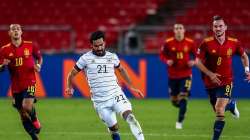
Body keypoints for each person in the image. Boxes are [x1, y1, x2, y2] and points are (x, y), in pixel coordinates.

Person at [66, 31, 145, 140]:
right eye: (96, 46)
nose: (99, 48)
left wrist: (132, 86)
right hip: (100, 101)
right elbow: (71, 74)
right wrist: (69, 87)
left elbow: (121, 70)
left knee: (130, 117)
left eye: (101, 45)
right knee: (114, 128)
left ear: (105, 43)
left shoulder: (112, 57)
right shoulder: (85, 59)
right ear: (91, 45)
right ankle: (113, 131)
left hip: (115, 94)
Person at [196, 15, 250, 140]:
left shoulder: (234, 42)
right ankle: (231, 105)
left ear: (225, 27)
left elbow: (244, 56)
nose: (218, 28)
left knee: (219, 109)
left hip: (226, 81)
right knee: (217, 110)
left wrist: (247, 70)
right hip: (210, 81)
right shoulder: (206, 43)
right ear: (212, 28)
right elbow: (197, 62)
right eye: (215, 26)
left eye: (220, 26)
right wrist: (210, 74)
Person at [0, 24, 42, 140]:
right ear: (9, 33)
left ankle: (35, 119)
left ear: (21, 32)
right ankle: (34, 136)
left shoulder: (30, 45)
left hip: (30, 81)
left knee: (27, 106)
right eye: (13, 29)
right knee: (22, 114)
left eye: (18, 29)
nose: (16, 31)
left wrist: (38, 65)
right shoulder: (4, 50)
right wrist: (3, 65)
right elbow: (0, 68)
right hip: (16, 85)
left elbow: (39, 57)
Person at [160, 24, 196, 129]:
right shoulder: (168, 43)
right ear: (174, 31)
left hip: (186, 75)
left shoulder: (190, 42)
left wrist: (193, 61)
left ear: (184, 30)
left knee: (183, 96)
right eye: (176, 28)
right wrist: (167, 61)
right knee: (174, 101)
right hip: (172, 75)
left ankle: (179, 122)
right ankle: (183, 109)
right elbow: (162, 55)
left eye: (180, 28)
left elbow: (196, 55)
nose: (179, 30)